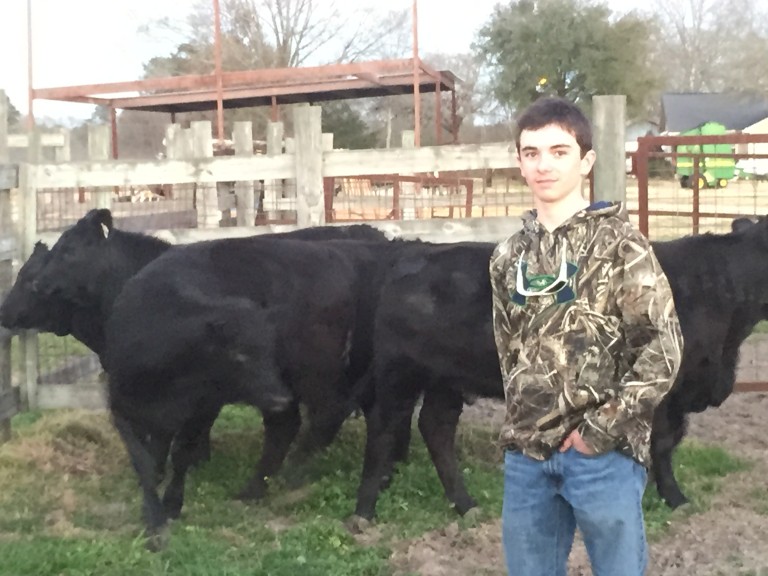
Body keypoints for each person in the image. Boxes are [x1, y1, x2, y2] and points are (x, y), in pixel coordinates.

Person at [489, 96, 683, 576]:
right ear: (519, 161)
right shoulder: (507, 257)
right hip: (528, 457)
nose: (543, 165)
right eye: (531, 152)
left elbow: (663, 348)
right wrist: (522, 426)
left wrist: (599, 431)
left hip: (603, 457)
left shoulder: (622, 246)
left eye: (559, 151)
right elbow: (507, 349)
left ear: (586, 160)